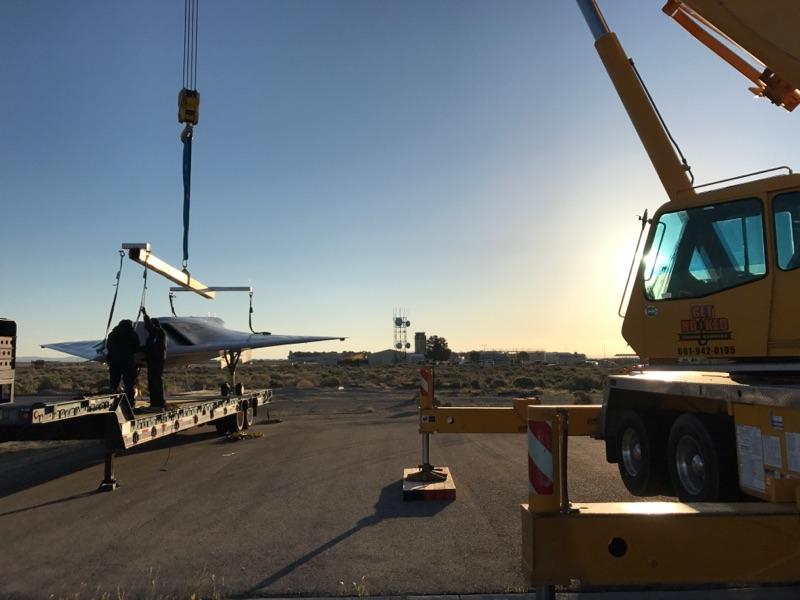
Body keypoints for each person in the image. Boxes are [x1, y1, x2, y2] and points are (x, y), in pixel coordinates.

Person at [106, 320, 140, 406]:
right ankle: (130, 404)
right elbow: (136, 347)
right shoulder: (132, 334)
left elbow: (109, 347)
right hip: (127, 362)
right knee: (129, 384)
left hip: (114, 362)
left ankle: (112, 403)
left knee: (114, 383)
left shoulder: (112, 334)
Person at [142, 308, 167, 408]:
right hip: (152, 360)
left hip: (157, 361)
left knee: (156, 380)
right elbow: (148, 347)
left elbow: (149, 327)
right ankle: (155, 402)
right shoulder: (153, 335)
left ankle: (159, 402)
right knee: (153, 381)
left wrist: (145, 315)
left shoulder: (159, 332)